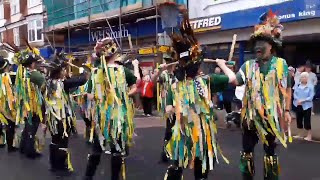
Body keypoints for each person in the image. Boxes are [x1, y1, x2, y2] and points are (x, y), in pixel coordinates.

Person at [161, 10, 236, 180]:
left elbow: (168, 110)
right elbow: (233, 79)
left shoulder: (175, 85)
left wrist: (172, 108)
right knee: (199, 169)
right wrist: (222, 65)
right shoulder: (207, 80)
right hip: (199, 133)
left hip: (183, 133)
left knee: (178, 166)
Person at [233, 11, 292, 180]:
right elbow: (236, 81)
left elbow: (287, 88)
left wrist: (287, 110)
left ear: (271, 46)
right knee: (247, 151)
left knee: (270, 152)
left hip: (271, 117)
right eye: (256, 43)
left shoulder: (282, 65)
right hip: (250, 118)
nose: (257, 46)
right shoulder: (248, 65)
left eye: (262, 43)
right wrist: (225, 71)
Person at [83, 37, 139, 180]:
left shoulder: (96, 72)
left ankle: (88, 177)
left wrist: (98, 96)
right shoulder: (123, 71)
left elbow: (88, 95)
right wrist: (125, 94)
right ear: (115, 54)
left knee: (97, 147)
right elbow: (135, 87)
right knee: (117, 150)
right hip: (118, 116)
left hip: (102, 117)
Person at [44, 52, 89, 173]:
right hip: (61, 118)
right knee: (63, 141)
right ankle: (61, 167)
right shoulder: (63, 84)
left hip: (52, 118)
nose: (65, 71)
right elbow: (83, 79)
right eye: (64, 70)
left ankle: (54, 165)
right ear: (59, 71)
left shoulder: (48, 82)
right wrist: (83, 69)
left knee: (54, 140)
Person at [14, 48, 46, 159]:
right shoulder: (34, 74)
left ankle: (23, 147)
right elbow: (44, 84)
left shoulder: (22, 73)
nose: (36, 65)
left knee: (28, 126)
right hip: (33, 105)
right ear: (31, 64)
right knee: (32, 127)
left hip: (26, 105)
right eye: (35, 63)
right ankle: (29, 151)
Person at [0, 55, 18, 152]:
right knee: (10, 123)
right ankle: (10, 146)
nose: (10, 67)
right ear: (5, 67)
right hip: (6, 105)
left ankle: (2, 142)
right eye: (9, 66)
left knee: (5, 124)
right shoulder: (7, 77)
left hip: (1, 104)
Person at [293, 72, 314, 141]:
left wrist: (303, 100)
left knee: (307, 121)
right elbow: (294, 94)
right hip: (298, 105)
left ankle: (309, 135)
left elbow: (311, 97)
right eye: (302, 77)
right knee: (299, 119)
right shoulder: (298, 85)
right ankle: (300, 134)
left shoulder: (310, 86)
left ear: (307, 78)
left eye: (305, 77)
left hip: (307, 106)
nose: (303, 78)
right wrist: (298, 100)